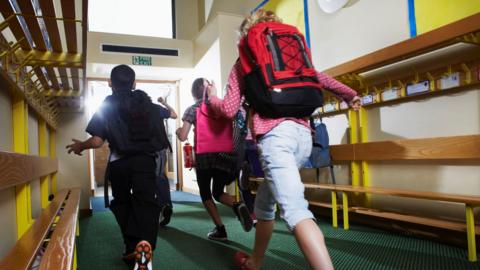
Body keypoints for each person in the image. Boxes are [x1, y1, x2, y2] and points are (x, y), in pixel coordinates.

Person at [207, 10, 361, 270]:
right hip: (302, 138)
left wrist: (210, 97)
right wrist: (349, 95)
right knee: (266, 203)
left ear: (247, 34)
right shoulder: (292, 56)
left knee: (295, 211)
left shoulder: (244, 60)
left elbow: (230, 109)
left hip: (277, 138)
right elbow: (319, 77)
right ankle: (255, 261)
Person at [66, 65, 169, 270]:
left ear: (110, 83)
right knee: (146, 204)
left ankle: (131, 246)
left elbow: (96, 141)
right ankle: (144, 243)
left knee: (122, 203)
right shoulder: (146, 103)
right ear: (134, 83)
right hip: (145, 162)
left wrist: (80, 146)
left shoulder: (108, 103)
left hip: (119, 164)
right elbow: (165, 114)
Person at [175, 78, 254, 241]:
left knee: (206, 194)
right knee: (217, 192)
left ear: (193, 93)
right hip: (224, 155)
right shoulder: (220, 104)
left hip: (204, 157)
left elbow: (183, 136)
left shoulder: (192, 109)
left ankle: (220, 229)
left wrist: (178, 131)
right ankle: (238, 205)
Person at [155, 96, 177, 227]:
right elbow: (174, 115)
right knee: (160, 176)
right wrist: (164, 103)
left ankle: (164, 205)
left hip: (146, 149)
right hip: (160, 148)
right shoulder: (156, 108)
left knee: (156, 178)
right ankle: (164, 206)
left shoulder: (135, 110)